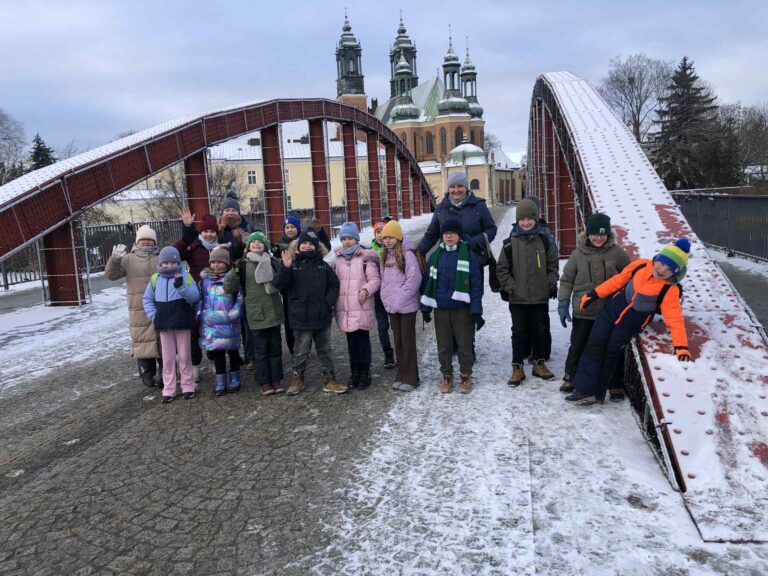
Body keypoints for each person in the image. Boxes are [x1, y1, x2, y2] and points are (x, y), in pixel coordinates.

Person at [566, 238, 693, 406]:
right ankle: (583, 390)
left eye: (669, 269)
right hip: (610, 312)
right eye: (661, 264)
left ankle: (596, 394)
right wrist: (594, 294)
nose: (662, 270)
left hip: (627, 326)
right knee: (594, 347)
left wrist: (681, 346)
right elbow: (617, 281)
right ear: (657, 259)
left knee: (609, 356)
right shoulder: (641, 265)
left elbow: (674, 319)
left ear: (675, 273)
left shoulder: (669, 289)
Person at [557, 213, 630, 396]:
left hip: (609, 309)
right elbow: (566, 280)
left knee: (611, 347)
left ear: (608, 234)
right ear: (587, 234)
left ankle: (614, 383)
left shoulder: (616, 252)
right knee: (578, 345)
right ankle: (571, 376)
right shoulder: (577, 254)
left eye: (603, 234)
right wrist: (563, 303)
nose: (599, 238)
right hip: (584, 309)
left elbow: (630, 274)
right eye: (595, 234)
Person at [496, 198, 559, 387]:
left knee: (539, 330)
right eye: (522, 219)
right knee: (519, 332)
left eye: (529, 219)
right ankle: (517, 367)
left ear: (536, 219)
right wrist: (511, 287)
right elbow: (502, 269)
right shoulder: (509, 244)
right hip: (518, 298)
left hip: (540, 296)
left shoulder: (544, 242)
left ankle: (539, 364)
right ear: (517, 220)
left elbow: (553, 265)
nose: (526, 223)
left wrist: (549, 283)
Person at [275, 230, 345, 395]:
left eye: (311, 244)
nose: (307, 246)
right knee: (301, 351)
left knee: (325, 350)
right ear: (299, 246)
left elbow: (334, 284)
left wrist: (327, 302)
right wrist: (285, 268)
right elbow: (281, 285)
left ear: (316, 247)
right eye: (304, 243)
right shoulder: (292, 264)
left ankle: (330, 380)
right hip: (301, 317)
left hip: (321, 315)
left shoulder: (323, 265)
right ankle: (297, 379)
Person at [420, 217, 484, 394]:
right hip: (441, 308)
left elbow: (476, 284)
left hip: (462, 308)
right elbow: (427, 283)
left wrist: (476, 309)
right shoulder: (435, 257)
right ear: (442, 235)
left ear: (459, 235)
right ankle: (447, 375)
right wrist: (425, 308)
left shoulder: (468, 254)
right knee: (444, 345)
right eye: (446, 233)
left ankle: (466, 375)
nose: (449, 236)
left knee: (464, 344)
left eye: (453, 233)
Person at [225, 231, 285, 396]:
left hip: (273, 312)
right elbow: (228, 287)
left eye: (260, 242)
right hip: (256, 314)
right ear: (248, 247)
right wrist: (233, 270)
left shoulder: (273, 262)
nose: (257, 244)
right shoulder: (243, 265)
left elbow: (285, 274)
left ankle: (276, 380)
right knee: (260, 351)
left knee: (275, 349)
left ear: (264, 245)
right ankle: (264, 382)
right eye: (253, 242)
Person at [106, 224, 162, 388]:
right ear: (137, 242)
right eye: (143, 240)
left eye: (149, 241)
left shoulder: (161, 257)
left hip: (160, 304)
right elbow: (111, 275)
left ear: (154, 242)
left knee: (162, 340)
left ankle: (165, 373)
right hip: (138, 307)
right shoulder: (129, 259)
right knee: (142, 340)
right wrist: (114, 260)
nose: (146, 243)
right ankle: (147, 373)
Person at [142, 246, 200, 403]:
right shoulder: (155, 279)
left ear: (177, 262)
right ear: (161, 263)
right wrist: (154, 316)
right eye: (165, 263)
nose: (168, 266)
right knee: (167, 359)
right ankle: (169, 388)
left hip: (182, 322)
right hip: (164, 325)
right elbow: (147, 299)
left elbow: (194, 297)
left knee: (184, 356)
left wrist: (181, 287)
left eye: (172, 263)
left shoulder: (185, 276)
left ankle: (188, 385)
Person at [174, 208, 220, 383]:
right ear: (201, 232)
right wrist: (187, 229)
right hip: (196, 297)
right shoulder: (194, 246)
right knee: (194, 332)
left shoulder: (221, 248)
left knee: (213, 330)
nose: (209, 235)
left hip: (216, 297)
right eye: (206, 231)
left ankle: (214, 360)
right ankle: (195, 366)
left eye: (212, 231)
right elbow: (175, 253)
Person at [333, 222, 381, 389]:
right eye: (344, 238)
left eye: (350, 238)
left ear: (356, 239)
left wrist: (365, 291)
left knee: (362, 340)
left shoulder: (365, 258)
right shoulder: (337, 260)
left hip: (361, 305)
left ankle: (364, 371)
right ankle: (354, 372)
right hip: (345, 308)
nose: (347, 242)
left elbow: (375, 280)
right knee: (351, 342)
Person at [418, 172, 497, 268]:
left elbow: (491, 230)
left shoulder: (479, 206)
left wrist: (476, 242)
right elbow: (431, 235)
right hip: (447, 262)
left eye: (460, 186)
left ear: (466, 187)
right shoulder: (441, 208)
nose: (456, 190)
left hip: (473, 261)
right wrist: (416, 253)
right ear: (448, 188)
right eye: (452, 187)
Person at [379, 220, 422, 392]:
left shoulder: (407, 255)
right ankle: (401, 374)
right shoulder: (385, 256)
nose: (388, 241)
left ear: (398, 237)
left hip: (406, 306)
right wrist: (386, 298)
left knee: (407, 341)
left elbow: (414, 279)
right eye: (385, 238)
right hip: (392, 307)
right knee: (397, 341)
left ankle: (411, 378)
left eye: (391, 237)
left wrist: (400, 298)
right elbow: (383, 280)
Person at [197, 247, 243, 396]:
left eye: (220, 262)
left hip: (229, 323)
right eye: (213, 262)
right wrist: (200, 312)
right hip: (213, 324)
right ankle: (220, 380)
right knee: (218, 354)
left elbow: (240, 298)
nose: (216, 265)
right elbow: (200, 299)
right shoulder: (205, 281)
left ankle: (235, 377)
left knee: (233, 352)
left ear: (226, 263)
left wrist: (234, 314)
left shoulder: (231, 278)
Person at [526, 195, 558, 361]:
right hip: (523, 286)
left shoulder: (544, 233)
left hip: (541, 285)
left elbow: (552, 259)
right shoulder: (515, 232)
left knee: (541, 321)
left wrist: (551, 283)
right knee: (526, 320)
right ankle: (528, 349)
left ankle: (543, 351)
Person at [270, 215, 302, 355]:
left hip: (302, 286)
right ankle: (292, 347)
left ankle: (303, 345)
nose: (289, 230)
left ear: (298, 228)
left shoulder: (304, 241)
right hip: (287, 288)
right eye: (287, 227)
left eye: (292, 227)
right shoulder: (279, 245)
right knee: (289, 318)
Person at [370, 221, 396, 368]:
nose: (380, 235)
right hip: (378, 295)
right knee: (382, 326)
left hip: (392, 293)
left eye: (383, 231)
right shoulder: (370, 251)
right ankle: (388, 354)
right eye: (377, 232)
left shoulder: (393, 248)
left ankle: (401, 351)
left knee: (396, 325)